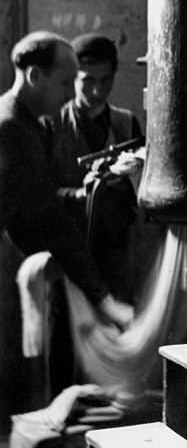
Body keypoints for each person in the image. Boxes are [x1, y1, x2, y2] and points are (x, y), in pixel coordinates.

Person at [0, 31, 133, 330]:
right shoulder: (11, 128)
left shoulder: (26, 122)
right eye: (64, 82)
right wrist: (103, 299)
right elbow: (48, 216)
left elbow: (38, 197)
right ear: (34, 75)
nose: (71, 95)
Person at [50, 34, 142, 302]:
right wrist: (81, 193)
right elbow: (37, 194)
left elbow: (142, 197)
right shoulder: (51, 124)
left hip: (116, 254)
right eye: (88, 81)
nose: (97, 90)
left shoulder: (126, 124)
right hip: (67, 253)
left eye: (106, 80)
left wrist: (130, 176)